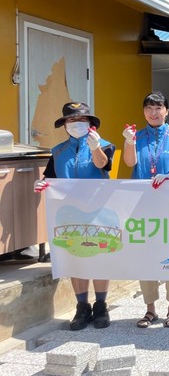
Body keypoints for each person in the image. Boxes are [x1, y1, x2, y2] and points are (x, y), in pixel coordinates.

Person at [34, 102, 115, 330]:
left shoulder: (105, 145)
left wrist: (95, 147)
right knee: (76, 258)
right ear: (65, 125)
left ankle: (101, 305)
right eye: (71, 120)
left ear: (90, 124)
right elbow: (51, 178)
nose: (76, 124)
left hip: (99, 211)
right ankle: (82, 307)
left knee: (99, 258)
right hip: (69, 213)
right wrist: (42, 183)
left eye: (81, 120)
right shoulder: (58, 151)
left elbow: (103, 164)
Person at [122, 91, 169, 328]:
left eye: (158, 108)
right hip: (142, 207)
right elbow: (130, 163)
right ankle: (150, 308)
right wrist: (128, 142)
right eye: (149, 108)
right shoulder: (136, 137)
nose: (154, 113)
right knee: (145, 257)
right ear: (144, 112)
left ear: (167, 111)